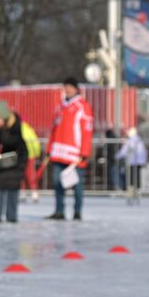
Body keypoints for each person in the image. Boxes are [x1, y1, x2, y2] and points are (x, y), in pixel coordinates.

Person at [46, 77, 93, 220]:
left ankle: (77, 212)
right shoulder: (61, 107)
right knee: (57, 183)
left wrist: (84, 152)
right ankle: (59, 210)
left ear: (76, 89)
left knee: (77, 185)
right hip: (58, 153)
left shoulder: (82, 106)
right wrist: (49, 149)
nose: (67, 90)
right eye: (65, 87)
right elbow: (54, 130)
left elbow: (87, 130)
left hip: (74, 154)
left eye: (70, 87)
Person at [116, 126, 147, 200]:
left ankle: (131, 192)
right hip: (139, 162)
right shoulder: (139, 140)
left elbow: (124, 151)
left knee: (130, 177)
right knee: (137, 176)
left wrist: (117, 156)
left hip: (132, 161)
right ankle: (137, 190)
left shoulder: (130, 141)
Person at [20, 116, 44, 203]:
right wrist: (37, 153)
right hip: (30, 156)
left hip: (20, 156)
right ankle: (34, 194)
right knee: (31, 175)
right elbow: (35, 143)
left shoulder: (17, 130)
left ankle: (22, 193)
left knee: (21, 175)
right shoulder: (29, 130)